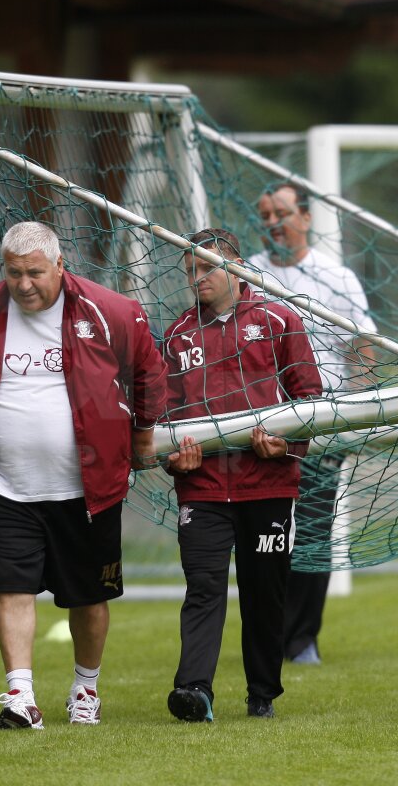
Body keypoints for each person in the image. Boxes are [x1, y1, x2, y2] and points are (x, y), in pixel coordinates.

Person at [0, 220, 166, 728]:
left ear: (60, 266)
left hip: (87, 490)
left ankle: (85, 688)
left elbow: (149, 374)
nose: (23, 284)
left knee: (89, 596)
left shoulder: (111, 311)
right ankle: (20, 696)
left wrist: (140, 437)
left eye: (35, 273)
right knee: (12, 588)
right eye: (13, 273)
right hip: (7, 485)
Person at [161, 228, 322, 722]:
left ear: (234, 267)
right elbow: (165, 414)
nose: (196, 279)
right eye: (189, 270)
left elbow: (312, 401)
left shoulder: (279, 320)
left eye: (205, 268)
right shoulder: (178, 333)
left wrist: (287, 444)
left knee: (263, 590)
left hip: (268, 483)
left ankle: (262, 695)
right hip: (203, 487)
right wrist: (174, 457)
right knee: (203, 587)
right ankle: (194, 690)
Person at [248, 181, 377, 665]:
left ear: (304, 216)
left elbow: (362, 346)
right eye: (264, 214)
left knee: (316, 531)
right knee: (266, 532)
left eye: (280, 211)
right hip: (262, 425)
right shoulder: (247, 276)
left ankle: (302, 640)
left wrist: (356, 410)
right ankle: (266, 636)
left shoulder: (336, 277)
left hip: (323, 425)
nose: (272, 222)